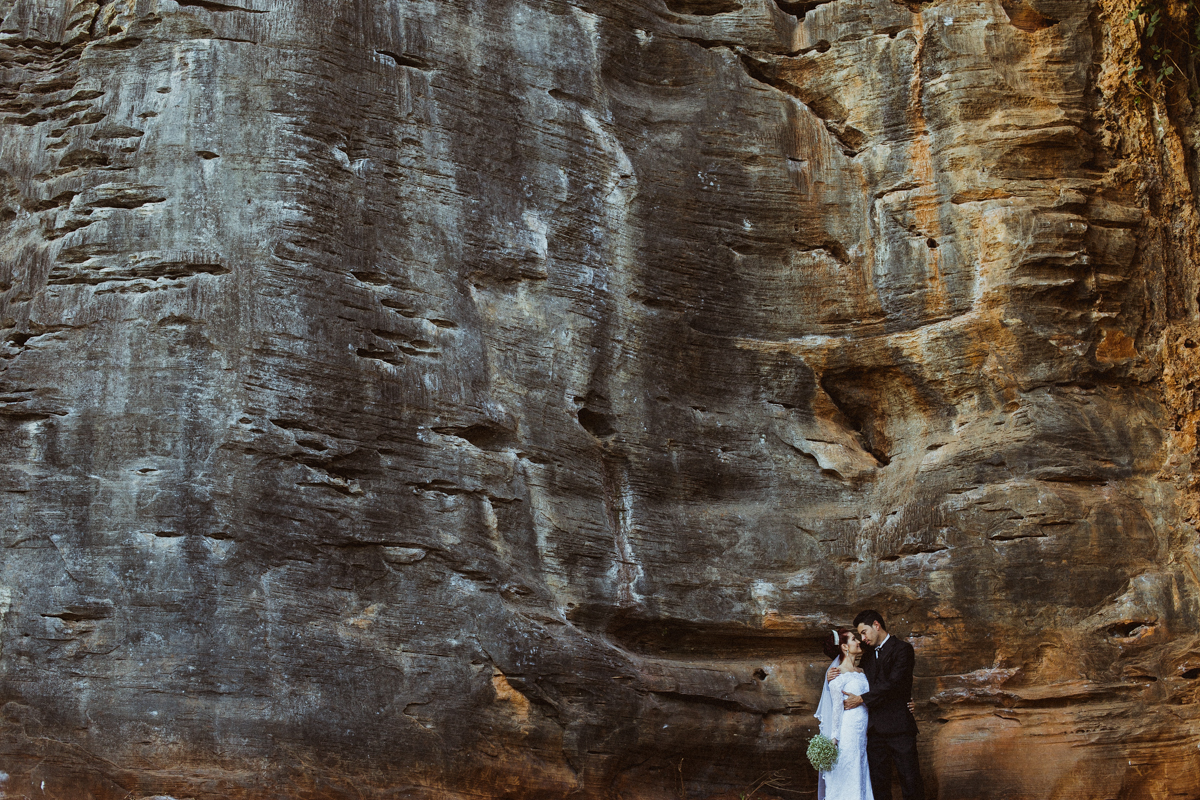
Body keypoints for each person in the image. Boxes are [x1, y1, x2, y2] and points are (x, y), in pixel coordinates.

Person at [840, 610, 924, 800]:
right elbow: (853, 669)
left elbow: (894, 683)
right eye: (860, 635)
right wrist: (833, 672)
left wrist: (861, 699)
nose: (863, 638)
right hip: (874, 730)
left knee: (911, 782)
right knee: (878, 786)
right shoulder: (867, 654)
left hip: (900, 727)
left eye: (864, 632)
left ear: (876, 625)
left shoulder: (903, 649)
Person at [815, 629, 872, 800]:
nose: (859, 641)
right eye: (854, 639)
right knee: (848, 772)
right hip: (848, 731)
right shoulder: (837, 675)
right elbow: (836, 710)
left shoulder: (862, 671)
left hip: (863, 732)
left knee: (860, 770)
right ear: (844, 647)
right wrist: (834, 739)